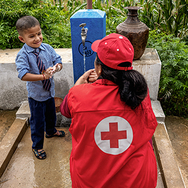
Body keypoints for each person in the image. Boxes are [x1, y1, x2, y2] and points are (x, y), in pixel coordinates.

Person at [60, 33, 158, 188]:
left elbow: (65, 110)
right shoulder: (139, 92)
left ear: (99, 68)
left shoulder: (78, 94)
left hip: (91, 181)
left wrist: (78, 85)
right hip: (138, 180)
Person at [15, 16, 65, 160]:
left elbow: (58, 60)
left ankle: (50, 131)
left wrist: (57, 68)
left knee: (51, 116)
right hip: (36, 96)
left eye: (39, 33)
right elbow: (23, 75)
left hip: (49, 93)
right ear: (22, 39)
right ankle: (37, 146)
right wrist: (43, 77)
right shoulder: (22, 55)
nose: (37, 38)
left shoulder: (47, 48)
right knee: (37, 122)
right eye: (32, 36)